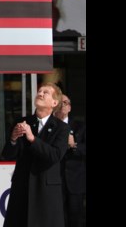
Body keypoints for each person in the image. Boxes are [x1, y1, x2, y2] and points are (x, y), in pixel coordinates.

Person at [2, 83, 70, 227]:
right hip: (22, 189)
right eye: (39, 91)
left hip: (46, 192)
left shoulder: (61, 128)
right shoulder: (22, 122)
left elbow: (55, 155)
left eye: (45, 92)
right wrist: (13, 140)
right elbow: (8, 155)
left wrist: (33, 139)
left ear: (54, 103)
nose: (40, 93)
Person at [55, 94, 86, 227]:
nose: (63, 105)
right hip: (54, 180)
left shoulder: (81, 126)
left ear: (70, 107)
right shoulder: (48, 126)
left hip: (75, 180)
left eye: (65, 103)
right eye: (59, 103)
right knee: (57, 218)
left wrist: (74, 145)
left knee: (75, 218)